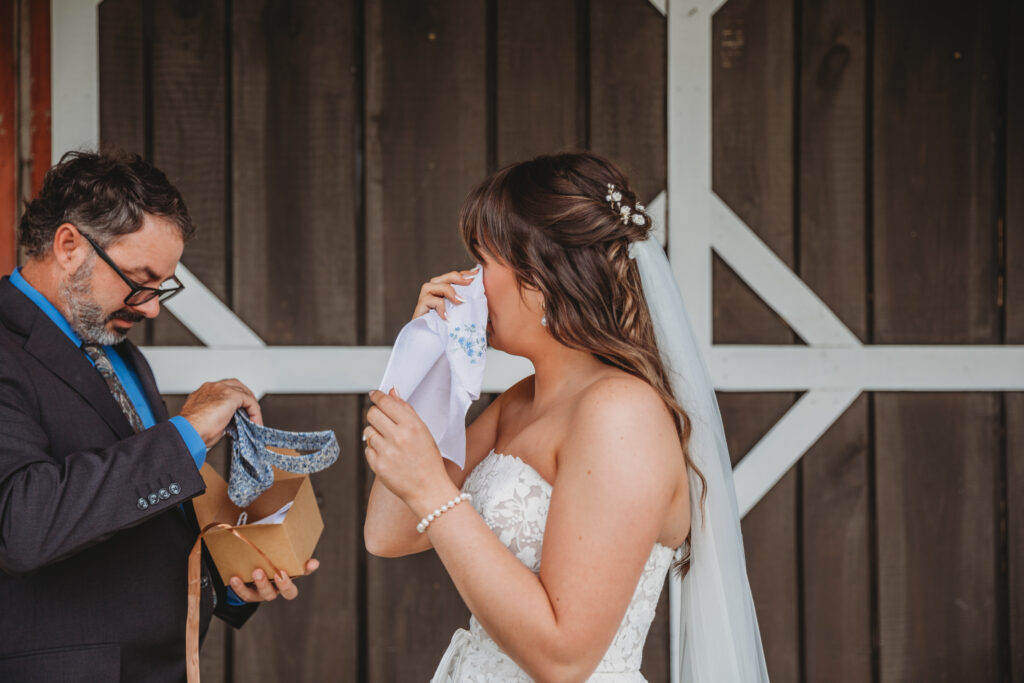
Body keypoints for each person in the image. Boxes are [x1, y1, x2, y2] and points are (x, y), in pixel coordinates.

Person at [363, 152, 768, 681]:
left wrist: (433, 493)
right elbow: (387, 535)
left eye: (481, 261)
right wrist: (432, 360)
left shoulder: (622, 413)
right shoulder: (519, 401)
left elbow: (565, 656)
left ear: (542, 276)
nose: (465, 282)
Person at [0, 151, 317, 682]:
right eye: (140, 279)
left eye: (162, 287)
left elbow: (137, 513)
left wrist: (235, 573)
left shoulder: (122, 354)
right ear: (69, 246)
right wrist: (187, 433)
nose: (150, 308)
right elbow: (21, 524)